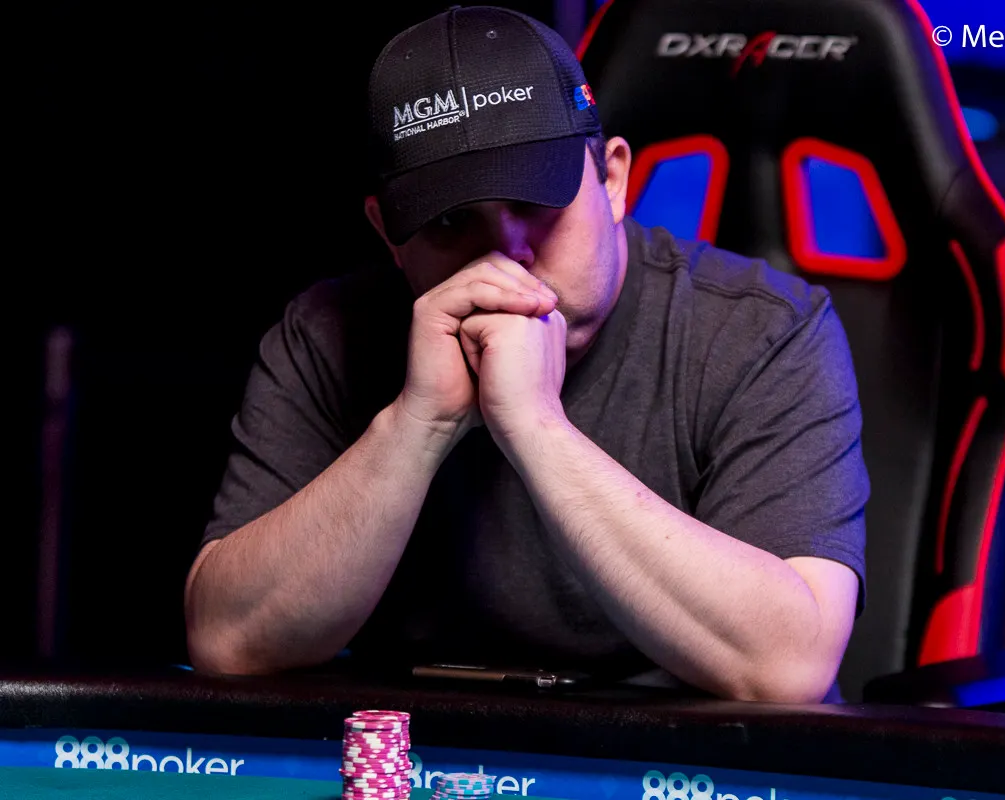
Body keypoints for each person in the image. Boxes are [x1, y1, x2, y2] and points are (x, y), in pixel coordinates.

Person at [184, 5, 868, 703]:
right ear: (388, 234)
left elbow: (785, 670)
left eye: (535, 201)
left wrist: (535, 427)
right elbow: (227, 642)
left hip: (675, 753)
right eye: (450, 221)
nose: (505, 253)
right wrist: (418, 423)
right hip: (423, 745)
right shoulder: (328, 333)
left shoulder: (763, 329)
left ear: (612, 180)